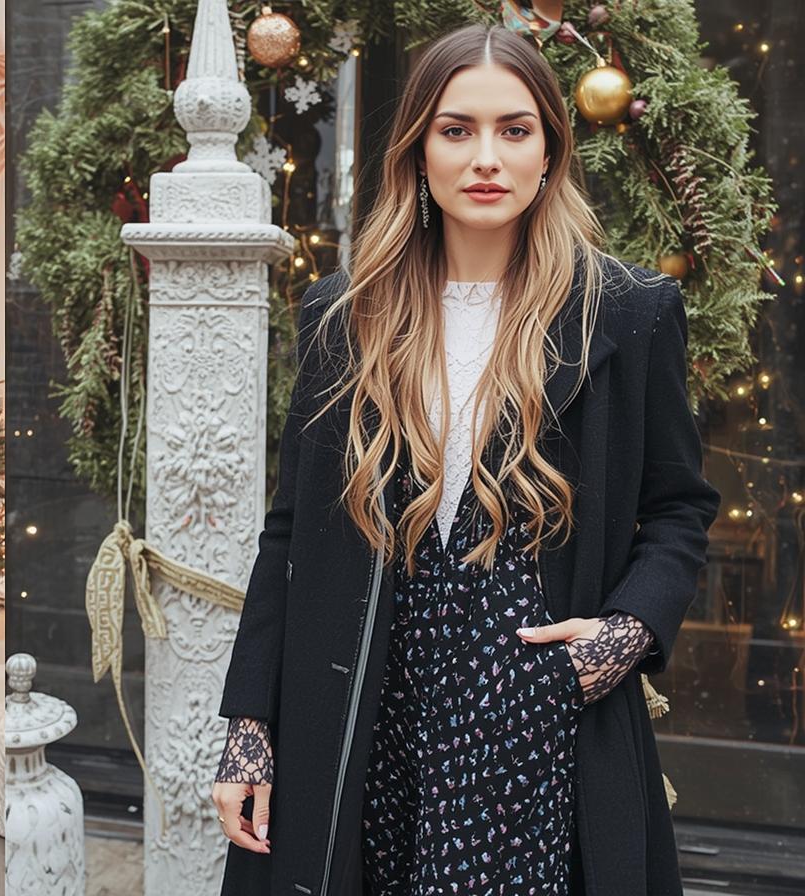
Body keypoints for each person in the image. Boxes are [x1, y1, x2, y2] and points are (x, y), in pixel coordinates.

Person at [210, 23, 720, 896]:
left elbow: (679, 507)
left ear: (551, 152)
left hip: (535, 693)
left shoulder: (628, 313)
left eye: (514, 130)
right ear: (417, 150)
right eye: (457, 130)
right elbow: (288, 533)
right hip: (369, 689)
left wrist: (626, 635)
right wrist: (250, 723)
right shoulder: (345, 314)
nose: (487, 157)